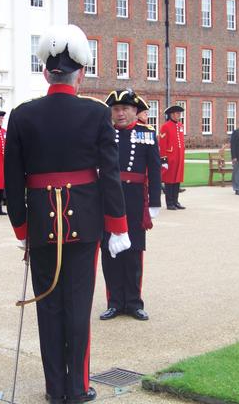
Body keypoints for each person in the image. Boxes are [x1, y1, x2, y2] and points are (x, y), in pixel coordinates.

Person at [4, 24, 129, 404]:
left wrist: (21, 227)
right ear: (82, 73)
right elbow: (109, 175)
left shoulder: (23, 114)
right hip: (85, 220)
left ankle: (54, 387)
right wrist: (118, 226)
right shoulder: (95, 113)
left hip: (42, 221)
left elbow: (12, 180)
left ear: (46, 73)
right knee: (77, 303)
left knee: (47, 304)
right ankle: (76, 388)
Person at [100, 89, 161, 321]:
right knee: (110, 252)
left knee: (134, 252)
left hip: (135, 199)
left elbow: (154, 171)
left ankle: (134, 302)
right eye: (116, 109)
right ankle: (114, 302)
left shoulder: (147, 133)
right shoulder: (104, 133)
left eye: (125, 109)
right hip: (108, 198)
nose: (120, 113)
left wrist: (154, 202)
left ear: (135, 111)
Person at [159, 105, 186, 210]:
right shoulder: (165, 126)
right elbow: (162, 144)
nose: (178, 115)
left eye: (179, 113)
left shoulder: (180, 126)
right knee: (169, 181)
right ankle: (169, 203)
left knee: (177, 180)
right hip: (170, 158)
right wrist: (163, 158)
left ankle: (176, 201)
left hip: (179, 158)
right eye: (177, 113)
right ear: (171, 114)